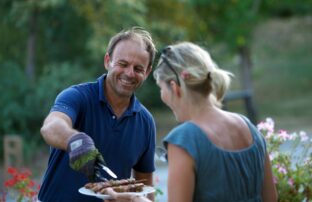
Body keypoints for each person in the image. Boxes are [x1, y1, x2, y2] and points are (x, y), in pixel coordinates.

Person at [104, 42, 278, 202]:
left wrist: (134, 200)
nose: (163, 96)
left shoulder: (185, 139)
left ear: (174, 87)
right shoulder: (248, 127)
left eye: (161, 88)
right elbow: (271, 198)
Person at [38, 27, 157, 202]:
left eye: (138, 68)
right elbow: (51, 127)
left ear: (147, 72)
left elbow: (144, 188)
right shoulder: (77, 97)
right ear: (108, 61)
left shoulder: (145, 122)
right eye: (122, 64)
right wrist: (75, 141)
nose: (130, 73)